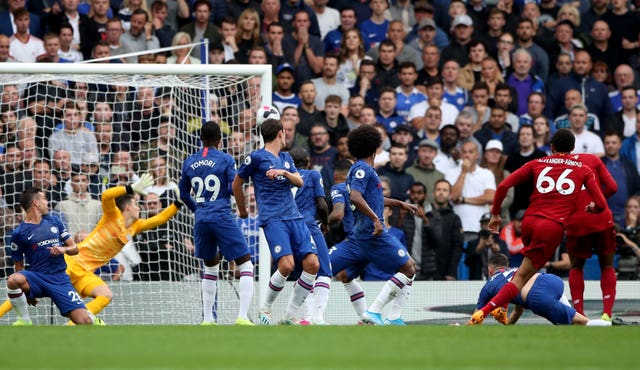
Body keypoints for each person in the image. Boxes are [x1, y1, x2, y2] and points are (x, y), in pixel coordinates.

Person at [468, 129, 608, 325]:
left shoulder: (537, 163)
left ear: (551, 148)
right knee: (520, 278)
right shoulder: (584, 169)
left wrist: (496, 215)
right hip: (551, 227)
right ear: (573, 149)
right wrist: (593, 207)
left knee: (525, 274)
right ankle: (482, 313)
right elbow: (601, 204)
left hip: (529, 222)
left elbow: (502, 187)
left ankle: (505, 309)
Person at [0, 173, 181, 322]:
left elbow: (159, 219)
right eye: (135, 204)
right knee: (24, 287)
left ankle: (76, 323)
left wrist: (178, 204)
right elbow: (106, 196)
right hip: (73, 262)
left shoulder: (135, 226)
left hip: (87, 271)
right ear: (126, 208)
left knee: (105, 294)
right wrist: (129, 188)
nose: (139, 207)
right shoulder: (112, 215)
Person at [330, 125, 421, 326]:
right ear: (375, 147)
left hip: (366, 231)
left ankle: (394, 316)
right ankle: (374, 312)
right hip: (371, 231)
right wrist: (375, 219)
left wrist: (399, 203)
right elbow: (355, 196)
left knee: (408, 267)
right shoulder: (362, 168)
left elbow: (374, 198)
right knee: (408, 268)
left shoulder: (360, 168)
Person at [233, 118, 319, 325]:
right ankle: (266, 308)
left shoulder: (286, 157)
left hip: (294, 216)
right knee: (287, 265)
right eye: (285, 132)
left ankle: (289, 316)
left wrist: (284, 172)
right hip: (273, 219)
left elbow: (299, 181)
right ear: (280, 133)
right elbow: (237, 184)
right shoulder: (255, 157)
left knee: (312, 264)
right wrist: (243, 210)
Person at [178, 121, 254, 326]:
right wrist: (243, 209)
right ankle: (243, 317)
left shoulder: (189, 161)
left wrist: (197, 209)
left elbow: (183, 193)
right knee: (245, 262)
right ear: (220, 140)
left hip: (202, 219)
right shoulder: (226, 159)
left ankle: (208, 319)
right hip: (221, 215)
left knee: (210, 267)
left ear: (200, 138)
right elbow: (233, 187)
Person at [6, 188, 96, 326]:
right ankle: (24, 320)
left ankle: (93, 318)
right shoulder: (19, 233)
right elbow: (19, 266)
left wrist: (63, 249)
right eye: (44, 199)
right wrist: (26, 292)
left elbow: (75, 248)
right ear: (36, 202)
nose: (47, 202)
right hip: (37, 278)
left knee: (85, 322)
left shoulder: (54, 221)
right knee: (13, 280)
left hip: (59, 279)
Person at [474, 253, 617, 326]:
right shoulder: (517, 271)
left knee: (578, 323)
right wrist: (507, 324)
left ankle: (614, 325)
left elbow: (476, 316)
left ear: (490, 270)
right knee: (571, 324)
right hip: (552, 280)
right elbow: (518, 311)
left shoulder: (489, 284)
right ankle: (583, 322)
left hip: (538, 295)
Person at [565, 152, 618, 321]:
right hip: (601, 218)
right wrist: (597, 201)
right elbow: (612, 187)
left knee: (576, 266)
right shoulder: (592, 159)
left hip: (576, 221)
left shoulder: (551, 165)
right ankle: (607, 314)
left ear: (552, 148)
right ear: (572, 147)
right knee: (607, 265)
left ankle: (579, 314)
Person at [289, 148, 331, 325]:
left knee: (303, 274)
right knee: (323, 271)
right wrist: (326, 223)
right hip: (307, 224)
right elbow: (321, 204)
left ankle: (306, 317)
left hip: (288, 227)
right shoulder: (313, 175)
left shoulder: (285, 176)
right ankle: (317, 317)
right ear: (307, 161)